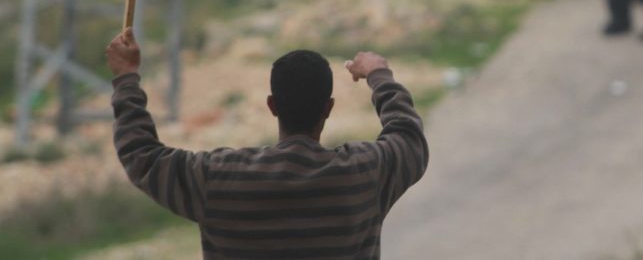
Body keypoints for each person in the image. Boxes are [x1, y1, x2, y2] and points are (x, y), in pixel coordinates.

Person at [106, 28, 427, 259]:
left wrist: (126, 77)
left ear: (272, 105)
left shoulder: (219, 179)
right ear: (328, 109)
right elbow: (409, 139)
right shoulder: (363, 173)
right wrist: (379, 75)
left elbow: (141, 156)